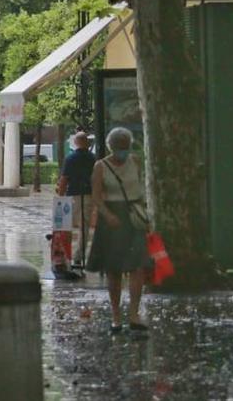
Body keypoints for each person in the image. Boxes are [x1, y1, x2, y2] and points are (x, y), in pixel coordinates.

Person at [86, 127, 151, 335]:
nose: (122, 151)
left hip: (134, 216)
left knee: (137, 267)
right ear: (111, 147)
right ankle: (116, 315)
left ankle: (133, 313)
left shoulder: (136, 162)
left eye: (126, 147)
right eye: (119, 147)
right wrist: (107, 215)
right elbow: (96, 196)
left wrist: (145, 215)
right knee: (113, 270)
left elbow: (141, 188)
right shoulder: (100, 166)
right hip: (112, 218)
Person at [57, 131, 96, 267]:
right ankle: (79, 255)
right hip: (88, 195)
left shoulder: (70, 158)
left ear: (76, 143)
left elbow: (64, 179)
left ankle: (64, 253)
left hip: (72, 195)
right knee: (84, 227)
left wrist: (60, 196)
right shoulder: (93, 158)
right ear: (87, 142)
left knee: (66, 225)